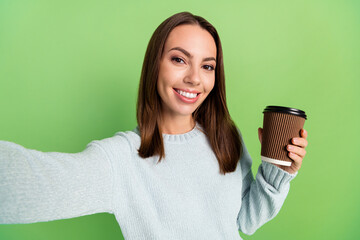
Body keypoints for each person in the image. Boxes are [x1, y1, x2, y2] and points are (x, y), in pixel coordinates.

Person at [0, 11, 308, 239]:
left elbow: (247, 220)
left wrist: (279, 171)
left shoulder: (226, 136)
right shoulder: (120, 159)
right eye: (178, 59)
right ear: (154, 64)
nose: (194, 78)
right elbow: (34, 181)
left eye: (207, 66)